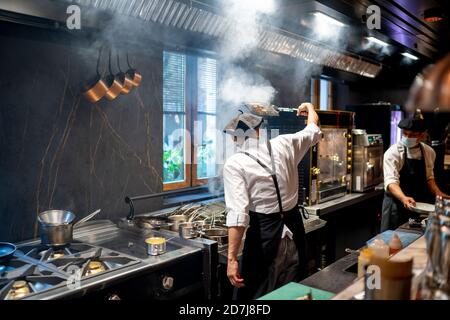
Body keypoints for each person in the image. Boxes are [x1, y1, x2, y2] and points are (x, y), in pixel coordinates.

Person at [223, 102, 321, 300]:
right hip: (295, 229)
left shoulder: (235, 163)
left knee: (259, 294)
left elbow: (239, 216)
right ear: (259, 131)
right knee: (294, 291)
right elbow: (313, 128)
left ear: (235, 137)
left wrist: (232, 258)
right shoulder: (285, 143)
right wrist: (310, 107)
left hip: (265, 236)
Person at [381, 114, 449, 231]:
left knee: (416, 237)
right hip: (397, 205)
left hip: (418, 205)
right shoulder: (393, 153)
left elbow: (429, 178)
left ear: (422, 135)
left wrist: (439, 194)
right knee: (393, 242)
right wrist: (403, 198)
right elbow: (391, 182)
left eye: (412, 135)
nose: (407, 137)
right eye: (405, 134)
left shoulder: (429, 152)